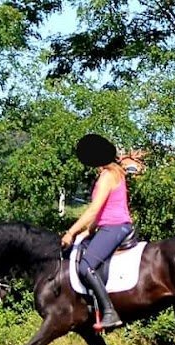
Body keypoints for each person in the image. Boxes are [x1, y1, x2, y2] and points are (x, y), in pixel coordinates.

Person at [61, 134, 139, 330]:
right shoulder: (116, 173)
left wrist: (71, 232)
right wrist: (88, 231)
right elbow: (101, 212)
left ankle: (110, 312)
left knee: (85, 266)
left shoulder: (107, 176)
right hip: (110, 225)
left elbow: (94, 209)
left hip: (114, 226)